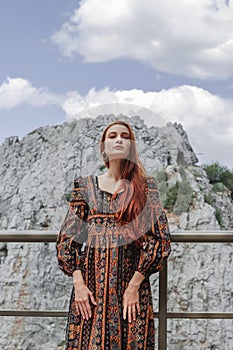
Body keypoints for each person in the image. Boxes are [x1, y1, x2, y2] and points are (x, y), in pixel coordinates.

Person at [56, 119, 171, 350]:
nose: (119, 139)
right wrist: (78, 283)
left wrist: (134, 285)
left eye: (125, 136)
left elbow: (160, 241)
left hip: (131, 295)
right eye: (113, 136)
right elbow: (67, 242)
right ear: (103, 147)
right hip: (90, 294)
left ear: (131, 146)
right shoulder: (85, 188)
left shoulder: (145, 188)